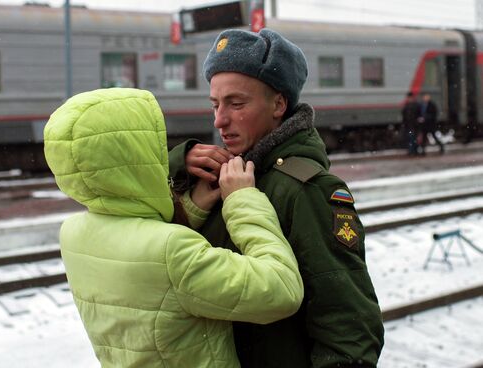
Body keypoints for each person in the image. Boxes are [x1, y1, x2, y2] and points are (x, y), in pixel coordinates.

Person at [169, 28, 384, 367]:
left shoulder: (307, 189)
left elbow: (348, 321)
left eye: (236, 104)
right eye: (215, 104)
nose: (219, 120)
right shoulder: (220, 177)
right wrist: (180, 161)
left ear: (279, 104)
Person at [44, 87, 304, 367]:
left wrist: (191, 208)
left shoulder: (72, 233)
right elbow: (281, 290)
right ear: (136, 156)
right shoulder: (171, 250)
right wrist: (243, 200)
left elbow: (142, 258)